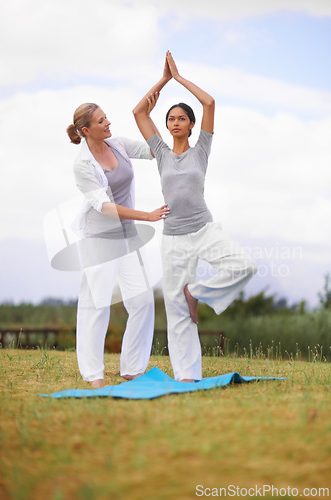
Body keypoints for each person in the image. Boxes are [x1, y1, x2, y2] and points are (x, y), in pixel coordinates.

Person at [133, 51, 257, 382]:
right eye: (171, 119)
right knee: (175, 311)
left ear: (190, 124)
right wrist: (163, 80)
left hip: (203, 228)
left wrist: (180, 78)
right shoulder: (159, 151)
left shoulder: (201, 148)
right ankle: (187, 376)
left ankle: (198, 292)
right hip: (173, 237)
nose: (175, 122)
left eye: (181, 118)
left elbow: (210, 103)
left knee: (244, 266)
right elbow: (138, 112)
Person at [66, 103, 170, 388]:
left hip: (128, 237)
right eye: (101, 121)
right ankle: (92, 374)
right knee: (96, 305)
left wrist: (145, 115)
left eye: (106, 117)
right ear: (87, 131)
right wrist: (146, 216)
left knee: (142, 301)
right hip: (100, 240)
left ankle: (132, 368)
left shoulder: (118, 145)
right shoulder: (82, 164)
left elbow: (153, 150)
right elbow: (105, 207)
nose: (108, 123)